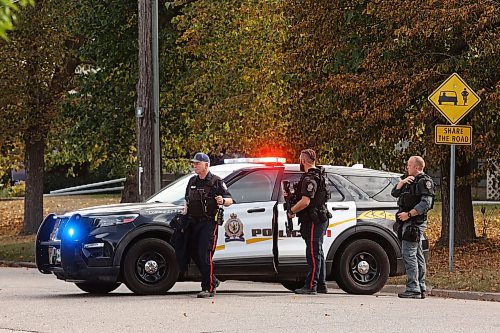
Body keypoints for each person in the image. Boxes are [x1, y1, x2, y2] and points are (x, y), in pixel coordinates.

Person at [182, 152, 233, 298]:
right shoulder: (192, 181)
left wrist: (222, 201)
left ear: (206, 165)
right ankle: (212, 279)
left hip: (208, 222)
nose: (195, 166)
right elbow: (187, 199)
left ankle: (208, 288)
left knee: (205, 253)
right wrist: (184, 210)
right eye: (194, 163)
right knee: (193, 252)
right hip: (193, 222)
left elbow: (230, 199)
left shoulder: (216, 181)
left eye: (198, 163)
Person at [287, 149, 330, 295]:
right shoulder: (320, 175)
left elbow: (305, 202)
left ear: (303, 161)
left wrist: (292, 210)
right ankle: (321, 284)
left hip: (314, 219)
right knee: (318, 251)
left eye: (300, 160)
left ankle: (311, 285)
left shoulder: (309, 178)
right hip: (319, 217)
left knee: (313, 252)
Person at [391, 156, 435, 299]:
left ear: (417, 167)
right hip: (407, 223)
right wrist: (402, 182)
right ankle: (421, 287)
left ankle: (413, 288)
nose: (407, 167)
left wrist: (408, 215)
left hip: (414, 224)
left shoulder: (425, 182)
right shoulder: (410, 181)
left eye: (409, 165)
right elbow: (394, 193)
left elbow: (426, 204)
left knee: (409, 254)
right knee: (417, 255)